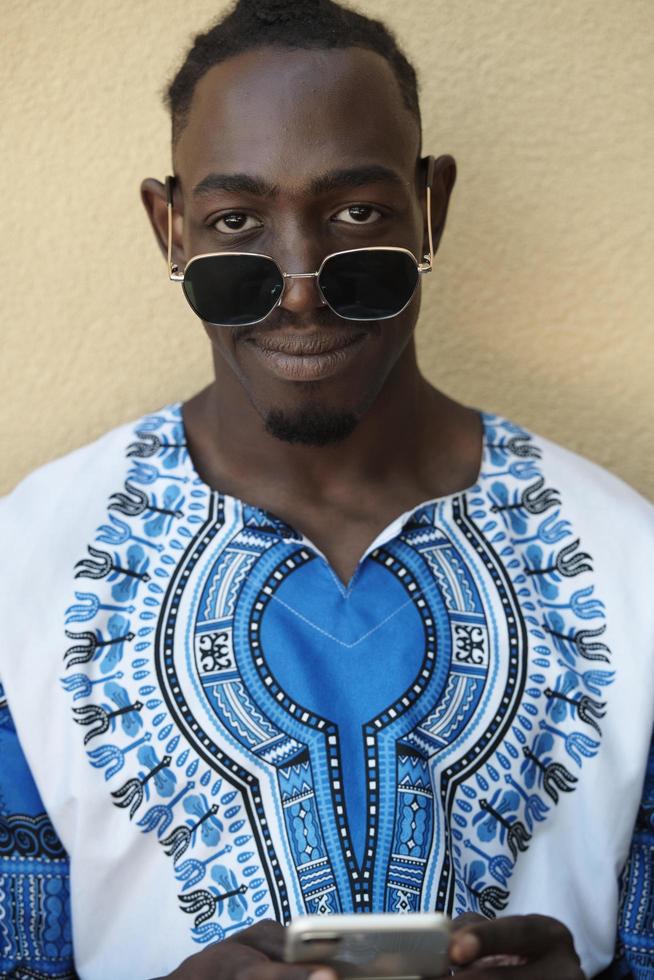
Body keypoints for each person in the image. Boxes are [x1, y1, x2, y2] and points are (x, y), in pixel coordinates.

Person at [0, 1, 652, 978]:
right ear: (168, 227)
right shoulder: (24, 562)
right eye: (236, 221)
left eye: (356, 213)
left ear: (431, 206)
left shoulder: (632, 562)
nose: (300, 282)